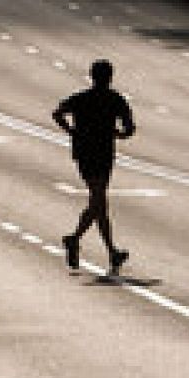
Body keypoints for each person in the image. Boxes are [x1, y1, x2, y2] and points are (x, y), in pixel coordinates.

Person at [54, 59, 136, 275]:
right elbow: (129, 128)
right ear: (110, 77)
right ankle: (100, 247)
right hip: (103, 154)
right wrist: (119, 133)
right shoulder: (116, 99)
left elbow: (57, 113)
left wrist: (72, 131)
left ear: (92, 76)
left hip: (85, 152)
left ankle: (79, 241)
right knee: (99, 200)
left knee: (98, 202)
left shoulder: (81, 98)